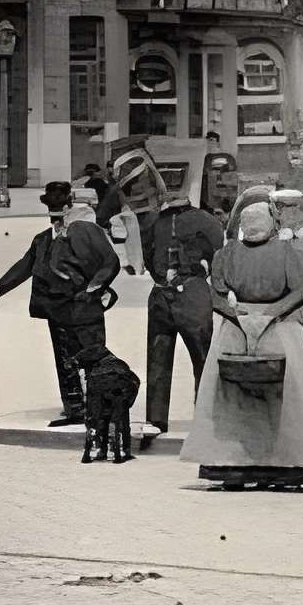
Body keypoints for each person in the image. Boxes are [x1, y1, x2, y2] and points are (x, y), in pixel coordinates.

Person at [187, 191, 303, 490]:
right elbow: (300, 289)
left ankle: (233, 464)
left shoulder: (226, 255)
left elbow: (216, 293)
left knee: (232, 401)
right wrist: (270, 314)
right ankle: (288, 465)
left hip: (236, 330)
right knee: (287, 400)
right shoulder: (292, 252)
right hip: (281, 330)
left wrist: (239, 316)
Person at [0, 182, 117, 429]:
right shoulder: (43, 240)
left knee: (94, 357)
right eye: (52, 210)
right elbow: (24, 266)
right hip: (56, 309)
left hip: (83, 308)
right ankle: (75, 409)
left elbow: (110, 262)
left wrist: (93, 290)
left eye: (59, 208)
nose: (55, 215)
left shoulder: (86, 230)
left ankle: (102, 407)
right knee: (65, 361)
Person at [132, 177, 223, 437]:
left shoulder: (152, 222)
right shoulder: (205, 220)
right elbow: (219, 253)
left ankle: (157, 419)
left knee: (158, 360)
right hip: (193, 292)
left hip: (160, 294)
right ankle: (205, 418)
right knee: (202, 358)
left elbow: (147, 258)